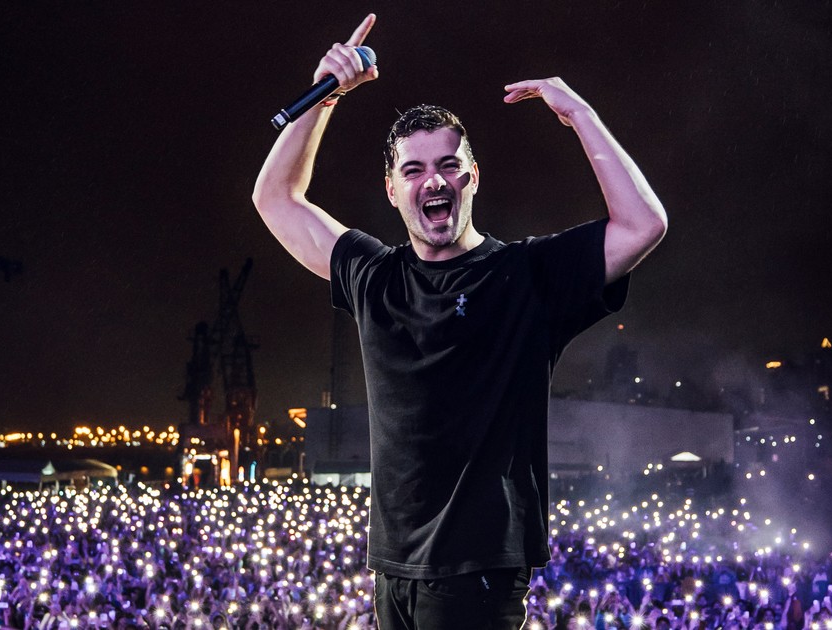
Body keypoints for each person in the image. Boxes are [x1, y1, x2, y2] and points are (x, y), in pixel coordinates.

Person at [252, 14, 667, 629]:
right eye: (413, 170)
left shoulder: (526, 277)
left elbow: (643, 224)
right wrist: (325, 96)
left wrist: (579, 114)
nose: (434, 181)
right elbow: (274, 199)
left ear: (473, 178)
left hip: (478, 572)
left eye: (449, 165)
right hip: (392, 569)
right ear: (392, 190)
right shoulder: (374, 276)